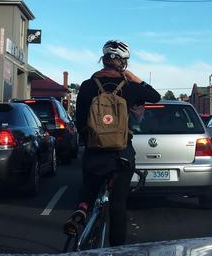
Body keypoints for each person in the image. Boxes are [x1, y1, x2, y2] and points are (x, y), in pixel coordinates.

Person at [64, 40, 160, 246]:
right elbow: (155, 96)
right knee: (118, 206)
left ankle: (81, 210)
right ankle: (117, 250)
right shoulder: (130, 87)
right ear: (123, 63)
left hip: (94, 152)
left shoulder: (88, 86)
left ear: (104, 59)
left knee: (89, 189)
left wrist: (88, 140)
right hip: (121, 154)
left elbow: (80, 119)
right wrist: (136, 79)